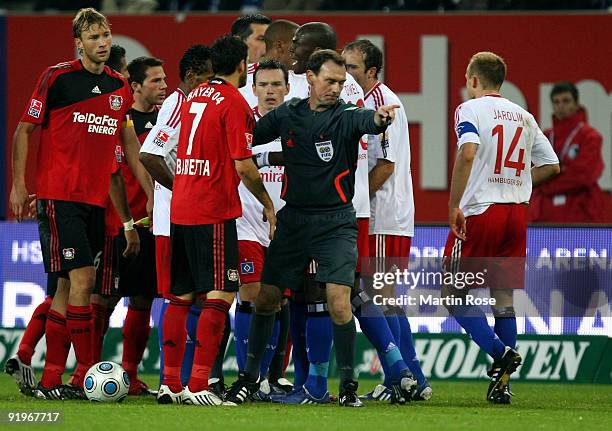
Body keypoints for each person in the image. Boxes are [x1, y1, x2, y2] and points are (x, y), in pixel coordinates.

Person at [223, 49, 398, 407]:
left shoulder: (347, 116)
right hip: (294, 221)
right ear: (312, 80)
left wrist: (379, 119)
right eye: (330, 80)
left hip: (336, 223)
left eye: (340, 82)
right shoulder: (289, 115)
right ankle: (248, 379)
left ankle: (348, 386)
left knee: (338, 302)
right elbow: (249, 136)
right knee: (267, 299)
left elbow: (368, 120)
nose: (335, 87)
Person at [9, 8, 152, 400]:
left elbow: (129, 148)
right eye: (93, 37)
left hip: (95, 201)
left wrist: (151, 194)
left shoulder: (119, 88)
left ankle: (51, 378)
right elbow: (24, 130)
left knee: (63, 288)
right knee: (83, 281)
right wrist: (19, 185)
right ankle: (83, 373)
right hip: (59, 196)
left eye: (105, 35)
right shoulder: (57, 77)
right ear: (79, 43)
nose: (102, 43)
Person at [157, 35, 276, 406]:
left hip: (182, 206)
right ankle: (198, 385)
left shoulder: (193, 97)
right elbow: (243, 165)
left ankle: (170, 383)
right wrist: (267, 203)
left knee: (180, 297)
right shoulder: (234, 102)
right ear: (242, 65)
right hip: (213, 209)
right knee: (222, 293)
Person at [443, 51, 559, 404]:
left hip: (482, 212)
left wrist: (453, 205)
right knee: (503, 299)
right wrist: (519, 183)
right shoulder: (523, 116)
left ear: (474, 80)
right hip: (516, 214)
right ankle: (503, 386)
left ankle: (499, 352)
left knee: (452, 293)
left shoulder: (471, 109)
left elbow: (467, 153)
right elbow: (552, 166)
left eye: (467, 78)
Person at [342, 39, 431, 401]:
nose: (345, 74)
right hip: (393, 215)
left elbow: (386, 164)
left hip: (381, 215)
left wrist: (354, 199)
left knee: (376, 297)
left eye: (351, 67)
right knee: (387, 299)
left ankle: (399, 379)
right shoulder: (375, 100)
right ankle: (414, 379)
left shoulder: (379, 102)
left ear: (372, 71)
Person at [138, 45, 218, 392]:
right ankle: (170, 380)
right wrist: (184, 188)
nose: (212, 86)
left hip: (194, 215)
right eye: (207, 79)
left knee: (200, 298)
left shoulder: (199, 104)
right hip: (173, 219)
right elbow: (150, 155)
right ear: (191, 78)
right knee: (178, 298)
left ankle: (190, 380)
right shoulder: (178, 104)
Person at [91, 55, 167, 396]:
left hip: (156, 226)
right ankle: (87, 370)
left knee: (142, 300)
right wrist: (125, 222)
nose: (163, 86)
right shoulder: (120, 123)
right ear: (134, 86)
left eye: (164, 80)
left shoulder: (168, 122)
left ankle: (131, 376)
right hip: (117, 226)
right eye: (155, 81)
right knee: (103, 299)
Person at [234, 59, 293, 400]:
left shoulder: (298, 124)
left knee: (281, 300)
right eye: (264, 85)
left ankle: (273, 377)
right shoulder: (243, 123)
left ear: (287, 88)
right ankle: (248, 375)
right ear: (253, 89)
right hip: (246, 223)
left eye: (276, 85)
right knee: (252, 294)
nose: (270, 91)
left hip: (286, 227)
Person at [529, 81, 609, 223]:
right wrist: (564, 170)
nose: (561, 106)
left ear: (576, 104)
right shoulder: (545, 137)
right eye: (556, 102)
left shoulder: (590, 136)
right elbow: (531, 174)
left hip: (581, 215)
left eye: (566, 101)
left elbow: (582, 175)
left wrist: (547, 183)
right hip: (544, 216)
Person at [238, 19, 299, 107]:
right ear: (279, 46)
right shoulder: (242, 80)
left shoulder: (305, 81)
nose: (300, 51)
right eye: (296, 44)